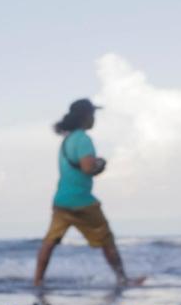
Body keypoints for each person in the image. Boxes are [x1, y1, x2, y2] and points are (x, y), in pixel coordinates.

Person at [34, 99, 142, 288]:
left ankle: (37, 281)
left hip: (61, 200)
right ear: (85, 117)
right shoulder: (84, 139)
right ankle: (123, 279)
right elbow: (87, 168)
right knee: (107, 239)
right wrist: (100, 165)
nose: (94, 119)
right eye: (93, 115)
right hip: (82, 200)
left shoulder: (67, 140)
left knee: (50, 241)